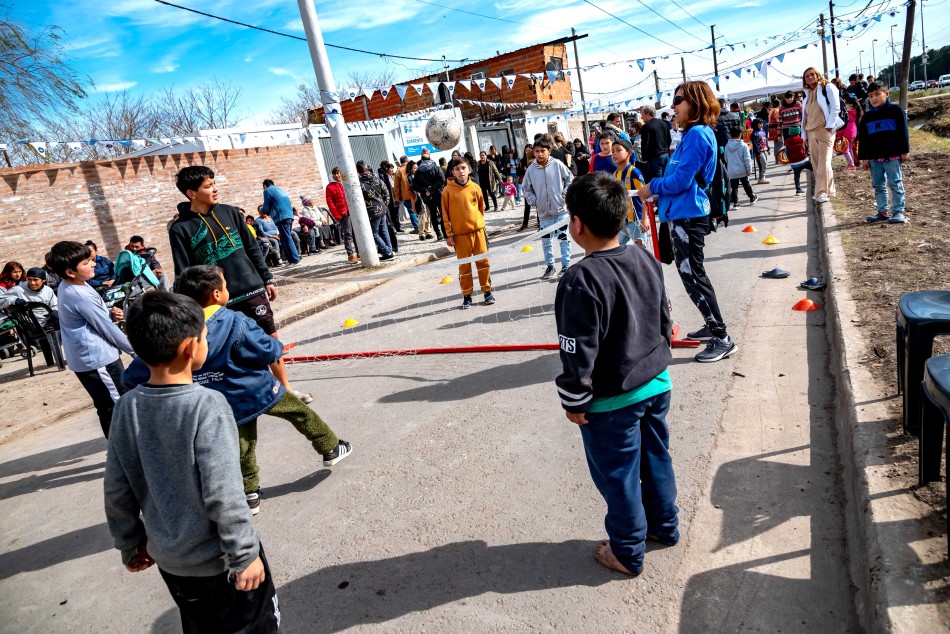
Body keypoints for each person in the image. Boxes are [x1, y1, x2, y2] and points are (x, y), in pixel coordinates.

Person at [104, 292, 280, 633]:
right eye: (203, 337)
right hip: (223, 564)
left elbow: (117, 485)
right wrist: (244, 554)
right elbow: (224, 490)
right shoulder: (207, 405)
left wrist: (130, 542)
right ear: (189, 347)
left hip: (171, 563)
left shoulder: (126, 407)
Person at [123, 265, 352, 515]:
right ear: (217, 295)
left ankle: (249, 493)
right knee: (301, 414)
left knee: (244, 445)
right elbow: (266, 349)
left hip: (224, 402)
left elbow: (134, 374)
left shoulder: (177, 330)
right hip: (260, 390)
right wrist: (276, 348)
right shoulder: (234, 321)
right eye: (225, 285)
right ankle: (330, 447)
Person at [555, 171, 677, 577]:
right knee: (656, 456)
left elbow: (577, 352)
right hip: (657, 384)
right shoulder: (642, 256)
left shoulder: (579, 280)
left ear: (577, 224)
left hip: (612, 402)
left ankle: (626, 550)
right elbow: (664, 314)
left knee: (620, 475)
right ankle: (664, 526)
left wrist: (574, 399)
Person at [637, 81, 737, 363]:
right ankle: (712, 325)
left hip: (688, 216)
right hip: (682, 214)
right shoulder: (694, 134)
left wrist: (654, 185)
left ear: (694, 102)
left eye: (678, 100)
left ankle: (722, 338)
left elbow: (681, 180)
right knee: (690, 273)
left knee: (693, 275)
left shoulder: (697, 135)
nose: (673, 106)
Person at [170, 166, 279, 337]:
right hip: (216, 301)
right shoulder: (179, 229)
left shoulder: (231, 212)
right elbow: (184, 272)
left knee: (271, 340)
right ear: (191, 194)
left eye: (214, 184)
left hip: (251, 288)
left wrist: (267, 278)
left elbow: (252, 248)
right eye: (208, 186)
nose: (215, 189)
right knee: (236, 349)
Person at [47, 240, 133, 437]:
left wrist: (109, 312)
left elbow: (89, 318)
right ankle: (123, 456)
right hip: (98, 361)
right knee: (116, 406)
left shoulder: (72, 285)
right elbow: (108, 331)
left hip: (90, 359)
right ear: (70, 271)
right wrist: (136, 351)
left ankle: (124, 454)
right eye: (86, 263)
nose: (93, 263)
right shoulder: (79, 294)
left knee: (111, 405)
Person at [441, 159, 495, 309]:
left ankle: (487, 291)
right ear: (452, 172)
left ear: (469, 169)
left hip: (478, 232)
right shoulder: (447, 191)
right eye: (457, 169)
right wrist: (448, 234)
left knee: (483, 263)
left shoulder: (475, 187)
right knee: (464, 267)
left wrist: (478, 224)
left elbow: (480, 208)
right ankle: (467, 295)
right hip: (459, 235)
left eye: (463, 168)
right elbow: (445, 215)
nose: (461, 171)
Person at [858, 82, 910, 224]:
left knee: (895, 183)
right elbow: (863, 139)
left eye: (877, 94)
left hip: (892, 155)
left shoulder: (896, 110)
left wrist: (905, 151)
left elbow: (903, 132)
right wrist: (864, 158)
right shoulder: (867, 117)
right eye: (870, 96)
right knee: (878, 185)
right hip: (874, 158)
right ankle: (882, 211)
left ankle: (898, 211)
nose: (873, 98)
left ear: (886, 94)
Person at [523, 135, 573, 280]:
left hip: (561, 211)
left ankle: (566, 265)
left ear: (549, 151)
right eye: (536, 151)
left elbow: (570, 179)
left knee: (564, 238)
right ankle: (550, 266)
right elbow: (526, 188)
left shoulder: (557, 164)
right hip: (543, 214)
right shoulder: (531, 169)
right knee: (546, 241)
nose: (539, 154)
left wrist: (564, 195)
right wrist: (534, 201)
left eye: (542, 151)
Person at [801, 66, 840, 204]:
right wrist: (804, 135)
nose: (810, 77)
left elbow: (836, 107)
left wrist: (830, 125)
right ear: (804, 80)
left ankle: (821, 192)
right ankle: (830, 189)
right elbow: (804, 116)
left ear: (817, 75)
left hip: (825, 129)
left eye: (812, 74)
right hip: (810, 130)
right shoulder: (806, 93)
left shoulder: (827, 87)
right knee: (817, 163)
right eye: (807, 76)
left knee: (824, 160)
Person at [610, 138, 647, 247]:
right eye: (613, 151)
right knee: (617, 250)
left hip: (635, 220)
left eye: (618, 150)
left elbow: (644, 197)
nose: (614, 154)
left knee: (641, 250)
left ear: (629, 153)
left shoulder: (634, 172)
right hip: (621, 221)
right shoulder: (614, 174)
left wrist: (645, 218)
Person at [357, 160, 395, 261]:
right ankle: (389, 251)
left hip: (371, 211)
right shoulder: (376, 178)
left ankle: (388, 252)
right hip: (382, 208)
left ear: (357, 171)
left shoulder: (358, 183)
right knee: (384, 230)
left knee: (373, 234)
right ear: (366, 168)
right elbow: (386, 192)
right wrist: (385, 205)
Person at [261, 179, 300, 265]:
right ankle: (292, 259)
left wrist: (263, 210)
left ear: (264, 185)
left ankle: (295, 260)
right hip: (289, 215)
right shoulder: (280, 190)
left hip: (281, 217)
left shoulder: (267, 190)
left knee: (286, 238)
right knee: (286, 238)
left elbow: (266, 207)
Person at [326, 167, 359, 263]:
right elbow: (330, 203)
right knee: (347, 234)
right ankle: (350, 254)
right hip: (343, 214)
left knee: (356, 232)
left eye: (338, 173)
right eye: (334, 174)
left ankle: (359, 252)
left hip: (353, 211)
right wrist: (337, 215)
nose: (336, 175)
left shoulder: (347, 183)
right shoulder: (330, 187)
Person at [413, 148, 447, 240]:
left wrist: (425, 190)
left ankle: (438, 234)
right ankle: (445, 232)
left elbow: (414, 185)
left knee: (433, 214)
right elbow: (442, 180)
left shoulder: (418, 172)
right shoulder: (436, 167)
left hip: (427, 196)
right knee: (443, 213)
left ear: (422, 160)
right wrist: (432, 188)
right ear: (430, 159)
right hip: (439, 193)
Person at [724, 127, 758, 210]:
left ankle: (735, 203)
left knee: (734, 187)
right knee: (746, 184)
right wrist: (749, 170)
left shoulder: (727, 146)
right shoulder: (743, 145)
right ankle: (751, 197)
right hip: (742, 170)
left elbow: (726, 158)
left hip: (732, 170)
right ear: (740, 134)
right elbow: (747, 159)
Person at [640, 105, 672, 182]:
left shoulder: (646, 126)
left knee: (657, 183)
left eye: (642, 114)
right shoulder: (664, 124)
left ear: (647, 114)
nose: (641, 117)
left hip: (654, 158)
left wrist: (644, 158)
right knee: (666, 180)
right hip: (665, 155)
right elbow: (669, 139)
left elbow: (645, 144)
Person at [393, 156, 419, 232]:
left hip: (406, 196)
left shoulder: (399, 171)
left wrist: (398, 197)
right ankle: (424, 227)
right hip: (416, 193)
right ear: (407, 161)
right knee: (420, 210)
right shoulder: (412, 168)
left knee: (412, 212)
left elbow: (396, 186)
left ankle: (417, 228)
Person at [838, 94, 862, 171]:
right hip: (853, 130)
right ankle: (852, 163)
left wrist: (838, 133)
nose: (844, 105)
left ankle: (851, 165)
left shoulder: (847, 113)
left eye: (846, 103)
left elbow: (843, 125)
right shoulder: (856, 111)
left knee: (845, 150)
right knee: (850, 148)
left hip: (847, 131)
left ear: (850, 105)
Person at [378, 161, 403, 233]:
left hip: (396, 197)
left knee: (396, 213)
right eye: (391, 168)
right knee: (391, 214)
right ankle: (393, 228)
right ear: (387, 169)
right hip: (390, 197)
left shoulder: (393, 176)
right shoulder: (384, 176)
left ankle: (398, 227)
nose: (392, 170)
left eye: (393, 168)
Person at [518, 145, 535, 231]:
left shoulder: (535, 160)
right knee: (527, 204)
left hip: (535, 184)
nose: (527, 152)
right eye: (526, 150)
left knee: (538, 203)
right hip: (527, 184)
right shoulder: (522, 160)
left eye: (529, 150)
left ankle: (540, 222)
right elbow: (518, 172)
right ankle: (525, 223)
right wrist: (524, 169)